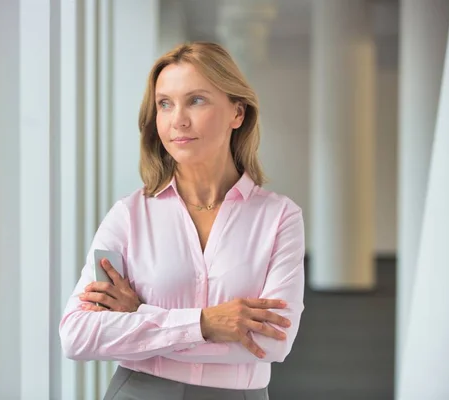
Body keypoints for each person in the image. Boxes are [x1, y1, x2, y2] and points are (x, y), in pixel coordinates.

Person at [59, 41, 305, 400]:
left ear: (237, 113)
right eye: (165, 104)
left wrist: (139, 316)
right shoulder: (129, 215)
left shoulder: (279, 217)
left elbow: (271, 343)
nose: (178, 120)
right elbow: (78, 334)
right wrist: (205, 324)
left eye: (197, 100)